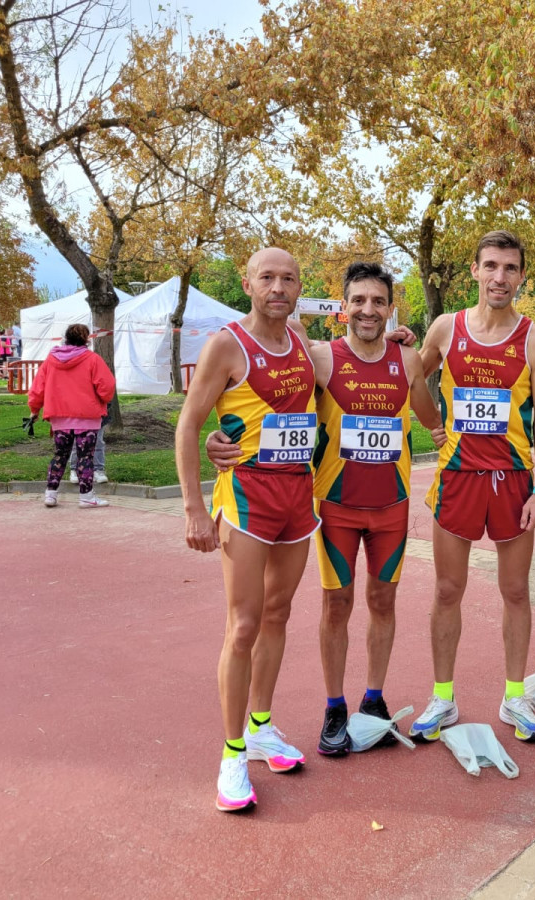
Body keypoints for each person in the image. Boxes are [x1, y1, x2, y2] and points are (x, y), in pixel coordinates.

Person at [207, 262, 440, 757]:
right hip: (334, 505)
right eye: (359, 301)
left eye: (379, 301)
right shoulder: (318, 358)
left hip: (391, 507)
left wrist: (444, 425)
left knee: (383, 603)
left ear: (390, 307)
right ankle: (334, 705)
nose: (368, 310)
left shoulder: (409, 359)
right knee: (337, 604)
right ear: (343, 307)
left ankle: (373, 700)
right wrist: (220, 438)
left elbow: (428, 414)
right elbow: (269, 403)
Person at [175, 247, 326, 813]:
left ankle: (262, 726)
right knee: (243, 625)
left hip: (297, 498)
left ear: (298, 286)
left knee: (279, 613)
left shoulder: (305, 344)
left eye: (288, 278)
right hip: (245, 500)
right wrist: (193, 508)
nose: (278, 288)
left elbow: (355, 356)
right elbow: (190, 426)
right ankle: (232, 754)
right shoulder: (226, 345)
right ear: (248, 283)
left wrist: (400, 338)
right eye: (267, 277)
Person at [408, 231, 535, 744]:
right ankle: (443, 698)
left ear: (521, 277)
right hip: (457, 478)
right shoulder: (447, 329)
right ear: (474, 270)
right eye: (491, 266)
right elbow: (409, 378)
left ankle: (515, 694)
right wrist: (431, 424)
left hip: (514, 482)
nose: (500, 277)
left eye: (510, 268)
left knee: (515, 590)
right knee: (448, 589)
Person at [27, 324, 116, 509]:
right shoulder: (93, 359)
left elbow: (38, 387)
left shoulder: (51, 360)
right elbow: (106, 387)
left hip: (60, 417)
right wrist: (103, 399)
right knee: (85, 457)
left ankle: (50, 494)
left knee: (59, 455)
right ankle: (86, 496)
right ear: (86, 339)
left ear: (65, 337)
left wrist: (34, 409)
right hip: (88, 417)